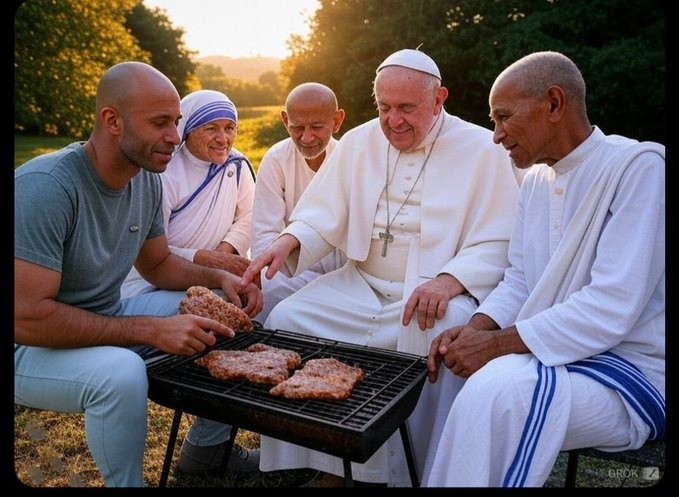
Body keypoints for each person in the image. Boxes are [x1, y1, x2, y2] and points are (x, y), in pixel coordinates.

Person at [240, 49, 522, 486]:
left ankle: (414, 472)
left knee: (442, 335)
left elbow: (500, 237)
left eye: (407, 108)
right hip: (361, 284)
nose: (393, 121)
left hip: (433, 291)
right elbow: (323, 210)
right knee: (291, 318)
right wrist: (288, 240)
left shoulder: (481, 150)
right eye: (385, 108)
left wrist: (451, 281)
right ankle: (331, 465)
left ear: (438, 99)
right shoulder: (358, 141)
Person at [14, 61, 263, 487]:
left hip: (105, 314)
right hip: (28, 348)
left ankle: (206, 448)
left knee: (223, 310)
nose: (174, 136)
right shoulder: (46, 188)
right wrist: (148, 329)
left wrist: (218, 279)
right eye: (160, 123)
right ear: (112, 120)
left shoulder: (144, 179)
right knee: (121, 373)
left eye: (177, 122)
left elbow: (159, 265)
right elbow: (27, 317)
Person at [422, 51, 665, 487]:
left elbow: (610, 306)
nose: (495, 135)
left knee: (502, 395)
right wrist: (478, 327)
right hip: (551, 357)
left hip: (630, 371)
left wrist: (495, 346)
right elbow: (519, 277)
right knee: (460, 377)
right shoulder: (535, 179)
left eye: (503, 118)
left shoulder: (639, 168)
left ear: (553, 104)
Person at [117, 88, 259, 474]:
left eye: (230, 128)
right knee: (232, 327)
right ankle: (207, 447)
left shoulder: (238, 167)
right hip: (149, 283)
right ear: (188, 131)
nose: (223, 138)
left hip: (213, 275)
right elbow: (150, 249)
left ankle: (206, 446)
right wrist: (203, 257)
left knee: (249, 318)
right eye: (210, 128)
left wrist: (227, 251)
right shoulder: (163, 173)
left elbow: (249, 218)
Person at [251, 82, 346, 323]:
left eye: (316, 127)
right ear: (285, 120)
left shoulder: (350, 158)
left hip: (342, 275)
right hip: (292, 274)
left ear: (336, 121)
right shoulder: (276, 160)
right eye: (297, 127)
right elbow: (264, 237)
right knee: (267, 284)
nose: (306, 137)